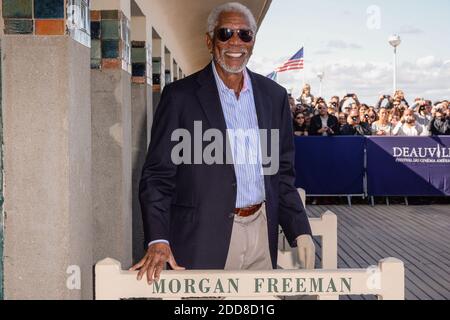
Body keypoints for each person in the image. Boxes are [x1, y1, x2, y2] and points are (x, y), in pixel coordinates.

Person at [131, 2, 315, 284]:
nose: (235, 42)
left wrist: (299, 229)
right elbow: (157, 176)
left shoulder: (274, 97)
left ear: (253, 42)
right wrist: (158, 238)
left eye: (244, 35)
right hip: (202, 239)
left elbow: (281, 176)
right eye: (225, 33)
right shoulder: (179, 97)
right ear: (209, 40)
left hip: (261, 235)